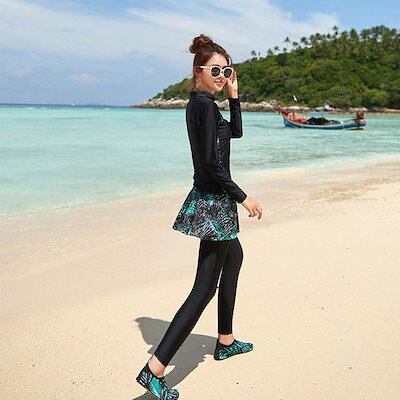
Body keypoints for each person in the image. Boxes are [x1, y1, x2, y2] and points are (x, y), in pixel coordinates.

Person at [136, 34, 263, 399]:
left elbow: (234, 133)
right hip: (214, 203)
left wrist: (234, 97)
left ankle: (225, 340)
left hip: (212, 199)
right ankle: (154, 369)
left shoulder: (204, 104)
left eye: (227, 70)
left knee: (234, 258)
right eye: (215, 70)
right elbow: (211, 163)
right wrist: (243, 197)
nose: (222, 76)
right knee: (203, 288)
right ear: (198, 72)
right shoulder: (203, 106)